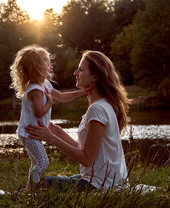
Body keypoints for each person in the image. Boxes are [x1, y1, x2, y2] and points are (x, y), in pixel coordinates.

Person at [26, 50, 131, 191]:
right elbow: (86, 150)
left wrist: (51, 139)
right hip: (104, 182)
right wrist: (57, 132)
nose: (75, 73)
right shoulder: (102, 105)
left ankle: (24, 195)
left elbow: (86, 158)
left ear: (95, 76)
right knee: (45, 179)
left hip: (101, 186)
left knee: (40, 183)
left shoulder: (97, 109)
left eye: (81, 69)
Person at [10, 45, 89, 194]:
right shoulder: (36, 89)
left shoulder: (44, 84)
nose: (50, 66)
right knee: (43, 162)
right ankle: (30, 190)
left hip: (32, 132)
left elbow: (61, 96)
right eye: (47, 63)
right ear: (37, 67)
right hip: (31, 133)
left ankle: (29, 190)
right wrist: (50, 103)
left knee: (36, 162)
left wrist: (81, 93)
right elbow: (39, 112)